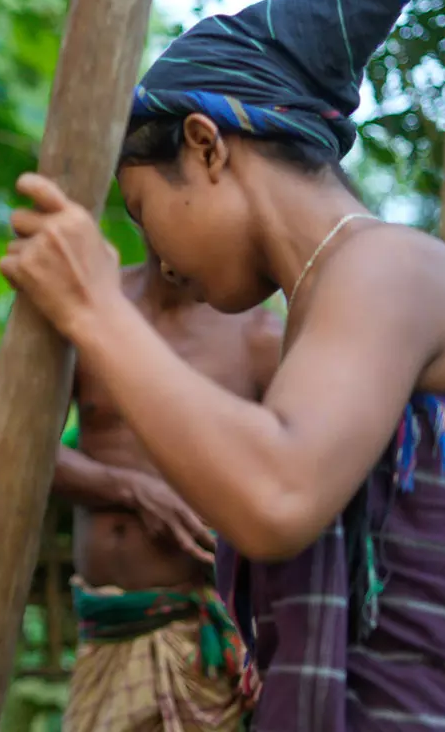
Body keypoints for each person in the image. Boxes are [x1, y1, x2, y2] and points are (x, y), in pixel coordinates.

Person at [3, 0, 445, 728]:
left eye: (143, 211)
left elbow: (277, 496)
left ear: (206, 147)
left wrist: (96, 307)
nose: (157, 257)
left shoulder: (384, 266)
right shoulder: (331, 297)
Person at [54, 249, 281, 730]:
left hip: (205, 638)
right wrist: (131, 489)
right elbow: (23, 449)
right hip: (106, 630)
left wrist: (270, 633)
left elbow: (291, 491)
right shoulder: (86, 308)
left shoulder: (259, 336)